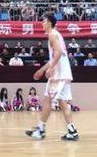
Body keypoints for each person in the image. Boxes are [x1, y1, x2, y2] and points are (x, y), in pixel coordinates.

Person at [26, 12, 79, 141]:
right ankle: (72, 131)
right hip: (64, 73)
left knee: (48, 100)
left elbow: (59, 53)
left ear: (50, 23)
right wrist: (42, 70)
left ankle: (41, 130)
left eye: (44, 21)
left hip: (58, 75)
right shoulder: (56, 34)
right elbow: (54, 57)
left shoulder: (52, 34)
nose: (42, 23)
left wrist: (50, 69)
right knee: (63, 102)